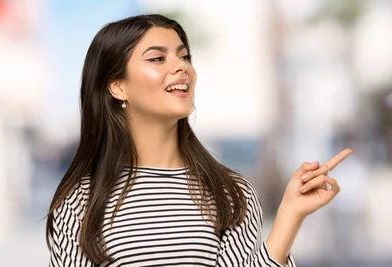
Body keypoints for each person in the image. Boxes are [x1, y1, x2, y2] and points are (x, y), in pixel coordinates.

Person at [45, 14, 352, 267]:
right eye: (157, 58)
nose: (181, 67)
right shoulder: (80, 202)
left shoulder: (230, 193)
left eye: (184, 56)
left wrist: (290, 214)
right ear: (117, 86)